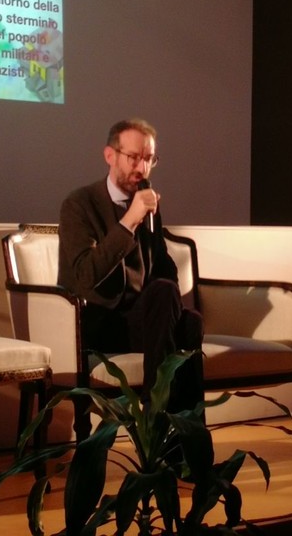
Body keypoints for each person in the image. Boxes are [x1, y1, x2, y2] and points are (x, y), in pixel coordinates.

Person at [58, 118, 203, 412]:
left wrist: (167, 306)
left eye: (149, 159)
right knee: (176, 313)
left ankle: (184, 434)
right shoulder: (79, 204)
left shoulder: (148, 206)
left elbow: (163, 269)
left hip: (136, 322)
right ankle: (156, 417)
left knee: (189, 321)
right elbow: (85, 275)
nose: (142, 168)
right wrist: (128, 222)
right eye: (134, 157)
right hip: (97, 322)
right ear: (110, 155)